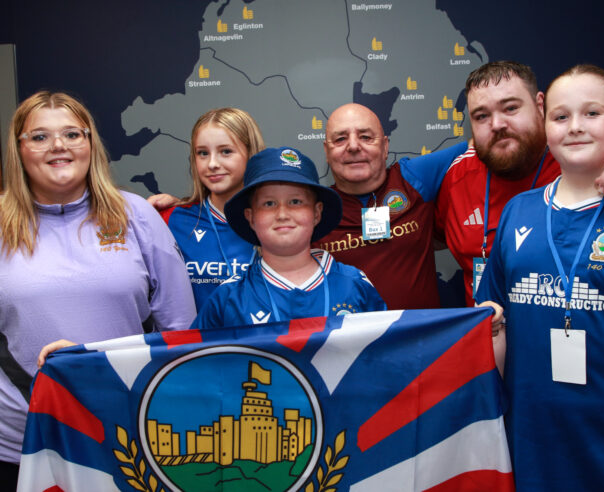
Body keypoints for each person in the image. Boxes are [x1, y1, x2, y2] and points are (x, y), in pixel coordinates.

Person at [0, 91, 196, 485]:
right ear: (19, 149)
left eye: (72, 134)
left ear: (90, 143)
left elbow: (181, 330)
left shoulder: (136, 214)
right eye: (39, 137)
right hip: (19, 443)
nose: (58, 145)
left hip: (122, 434)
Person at [476, 65, 604, 491]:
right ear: (545, 124)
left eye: (592, 113)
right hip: (533, 443)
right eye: (561, 116)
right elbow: (493, 318)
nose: (575, 127)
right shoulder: (519, 211)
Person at [436, 61, 604, 306]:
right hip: (494, 324)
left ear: (540, 105)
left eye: (511, 108)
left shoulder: (589, 149)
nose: (497, 124)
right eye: (481, 116)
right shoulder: (456, 177)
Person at [192, 146, 386, 328]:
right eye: (269, 204)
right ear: (250, 217)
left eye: (295, 201)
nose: (282, 214)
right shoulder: (228, 298)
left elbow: (388, 348)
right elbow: (194, 353)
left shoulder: (354, 284)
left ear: (316, 213)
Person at [313, 103, 468, 310]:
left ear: (385, 146)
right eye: (340, 139)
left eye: (366, 137)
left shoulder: (413, 179)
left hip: (422, 330)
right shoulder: (315, 211)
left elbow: (481, 144)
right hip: (348, 331)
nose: (353, 146)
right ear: (326, 151)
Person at [159, 108, 264, 310]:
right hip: (195, 332)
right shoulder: (171, 219)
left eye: (226, 151)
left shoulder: (277, 221)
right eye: (203, 153)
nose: (212, 163)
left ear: (251, 154)